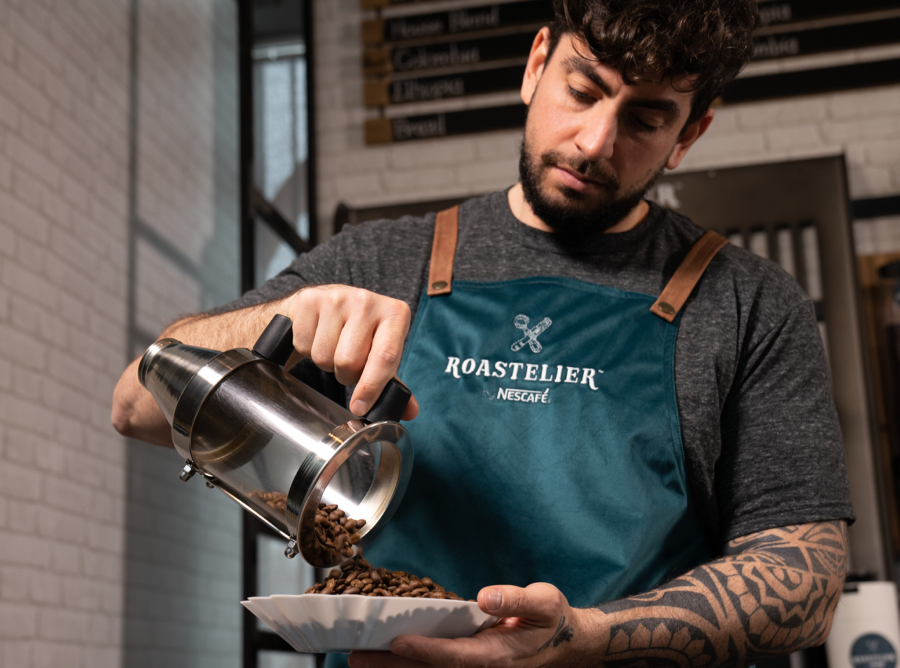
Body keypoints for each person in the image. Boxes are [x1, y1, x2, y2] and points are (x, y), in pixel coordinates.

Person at [112, 0, 854, 666]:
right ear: (536, 65)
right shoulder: (379, 262)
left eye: (646, 119)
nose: (595, 142)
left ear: (688, 134)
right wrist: (281, 323)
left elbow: (807, 581)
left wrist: (588, 639)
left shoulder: (749, 304)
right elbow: (135, 403)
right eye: (583, 90)